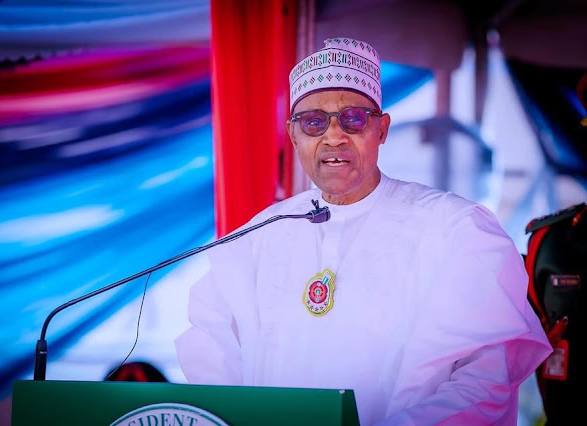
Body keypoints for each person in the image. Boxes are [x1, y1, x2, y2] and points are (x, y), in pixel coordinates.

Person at [175, 37, 552, 425]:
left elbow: (484, 383)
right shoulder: (259, 236)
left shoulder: (455, 229)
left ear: (382, 129)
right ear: (293, 135)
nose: (333, 136)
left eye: (353, 119)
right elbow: (213, 361)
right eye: (313, 122)